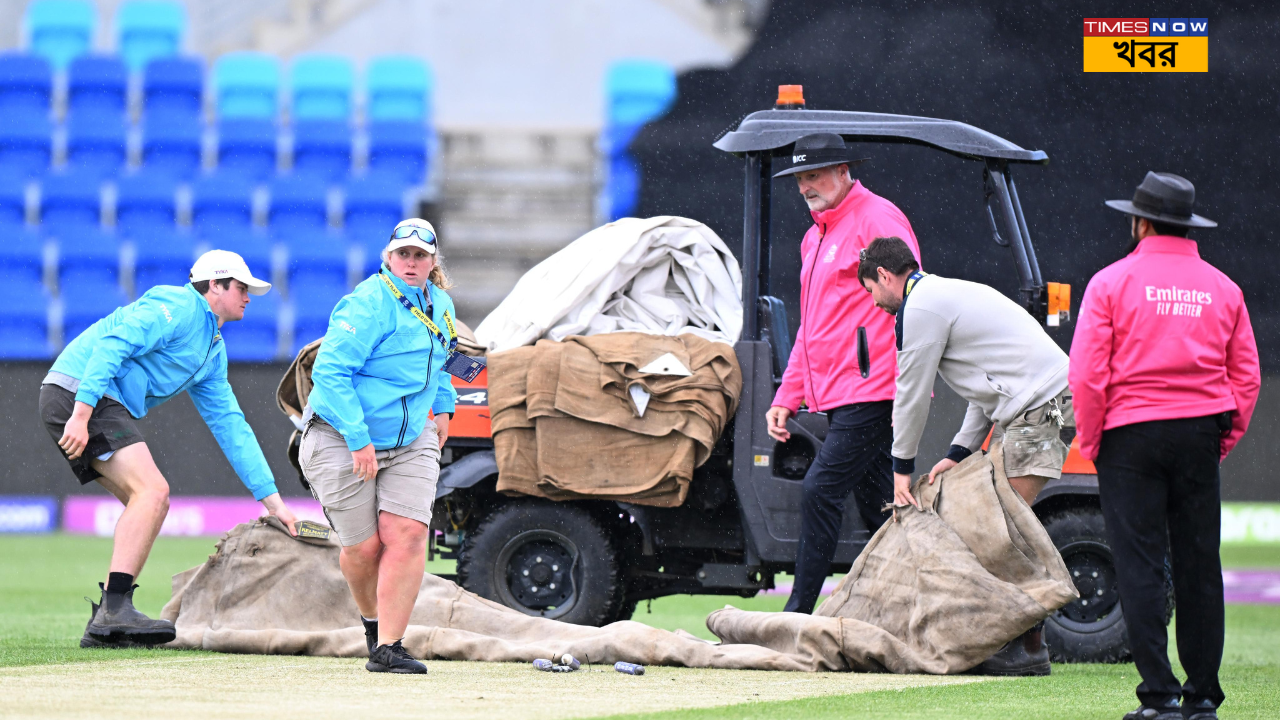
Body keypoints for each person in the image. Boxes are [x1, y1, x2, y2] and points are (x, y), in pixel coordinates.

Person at [39, 250, 299, 649]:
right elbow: (114, 342)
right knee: (153, 492)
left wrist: (274, 504)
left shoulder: (212, 349)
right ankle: (114, 609)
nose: (248, 296)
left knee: (149, 503)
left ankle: (105, 623)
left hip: (81, 396)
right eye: (242, 288)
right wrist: (81, 412)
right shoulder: (178, 304)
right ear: (215, 286)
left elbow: (233, 429)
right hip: (79, 392)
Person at [1070, 173, 1259, 720]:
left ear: (1141, 221)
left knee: (1141, 565)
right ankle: (1203, 696)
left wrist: (1093, 437)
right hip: (1199, 431)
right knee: (1200, 565)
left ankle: (1160, 697)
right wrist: (1224, 436)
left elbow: (1087, 373)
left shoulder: (1110, 282)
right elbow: (1245, 377)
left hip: (1129, 436)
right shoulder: (1223, 288)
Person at [858, 234, 1072, 676]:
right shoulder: (947, 294)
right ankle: (1023, 642)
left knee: (1002, 527)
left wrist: (901, 471)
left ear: (883, 275)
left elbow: (911, 397)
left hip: (1039, 410)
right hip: (1038, 406)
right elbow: (985, 386)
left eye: (870, 291)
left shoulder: (920, 309)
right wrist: (959, 451)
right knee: (998, 522)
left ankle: (1025, 647)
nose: (874, 302)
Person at [764, 133, 922, 614]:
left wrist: (907, 387)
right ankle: (906, 609)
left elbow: (913, 299)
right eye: (799, 178)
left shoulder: (876, 218)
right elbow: (813, 327)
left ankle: (798, 612)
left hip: (872, 391)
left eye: (813, 175)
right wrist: (787, 396)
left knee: (820, 490)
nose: (805, 186)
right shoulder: (815, 236)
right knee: (883, 511)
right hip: (842, 393)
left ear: (842, 171)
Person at [301, 218, 458, 675]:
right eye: (403, 254)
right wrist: (358, 438)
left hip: (411, 439)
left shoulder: (441, 302)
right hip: (339, 435)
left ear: (432, 262)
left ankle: (389, 647)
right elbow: (329, 374)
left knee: (406, 535)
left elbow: (446, 357)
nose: (411, 262)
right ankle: (373, 626)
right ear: (388, 258)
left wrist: (444, 408)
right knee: (365, 549)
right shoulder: (367, 303)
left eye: (420, 256)